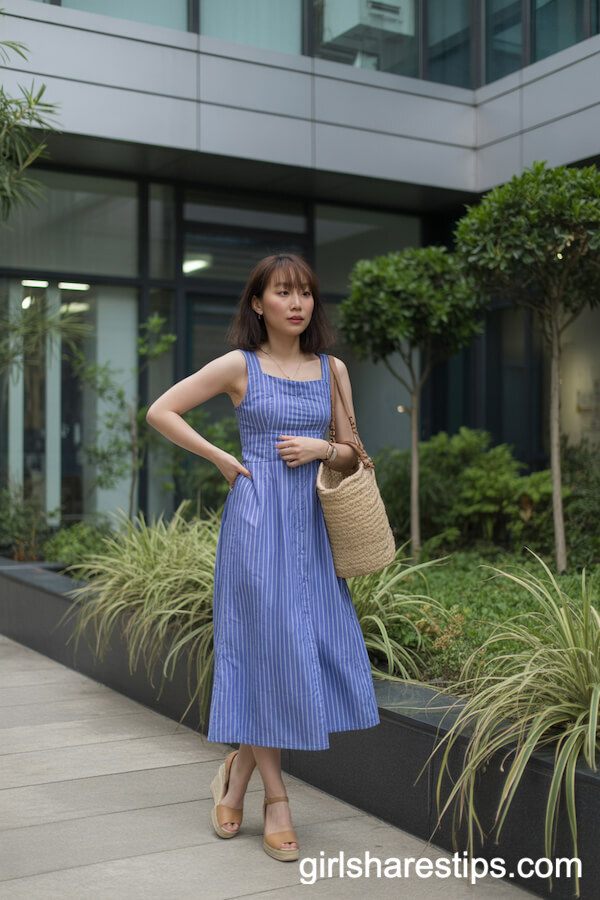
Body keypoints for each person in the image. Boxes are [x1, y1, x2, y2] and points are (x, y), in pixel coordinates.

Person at [146, 253, 380, 862]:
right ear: (258, 303)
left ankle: (237, 776)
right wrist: (221, 457)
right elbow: (160, 411)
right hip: (256, 525)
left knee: (300, 650)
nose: (297, 303)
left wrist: (321, 448)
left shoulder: (332, 369)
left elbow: (353, 453)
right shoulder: (239, 365)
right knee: (268, 649)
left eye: (305, 292)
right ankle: (277, 799)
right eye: (283, 292)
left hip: (313, 528)